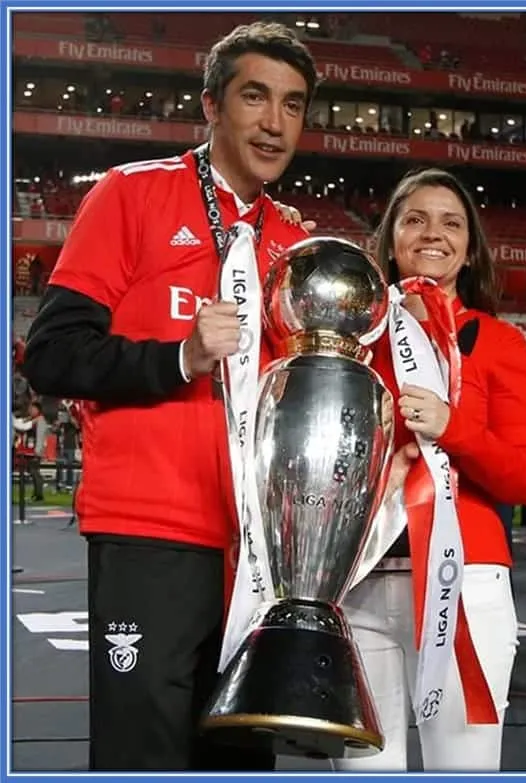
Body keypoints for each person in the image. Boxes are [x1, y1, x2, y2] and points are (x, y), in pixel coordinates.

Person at [23, 21, 319, 772]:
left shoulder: (295, 241)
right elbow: (53, 355)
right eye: (255, 96)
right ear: (212, 105)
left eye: (292, 104)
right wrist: (179, 356)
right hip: (151, 532)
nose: (274, 121)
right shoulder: (133, 194)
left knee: (239, 756)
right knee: (142, 752)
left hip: (257, 551)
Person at [335, 168, 526, 771]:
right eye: (415, 219)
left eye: (452, 222)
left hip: (465, 584)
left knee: (464, 770)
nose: (434, 234)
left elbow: (524, 477)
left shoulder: (500, 342)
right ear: (390, 236)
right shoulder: (350, 339)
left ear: (470, 247)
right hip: (358, 583)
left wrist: (452, 427)